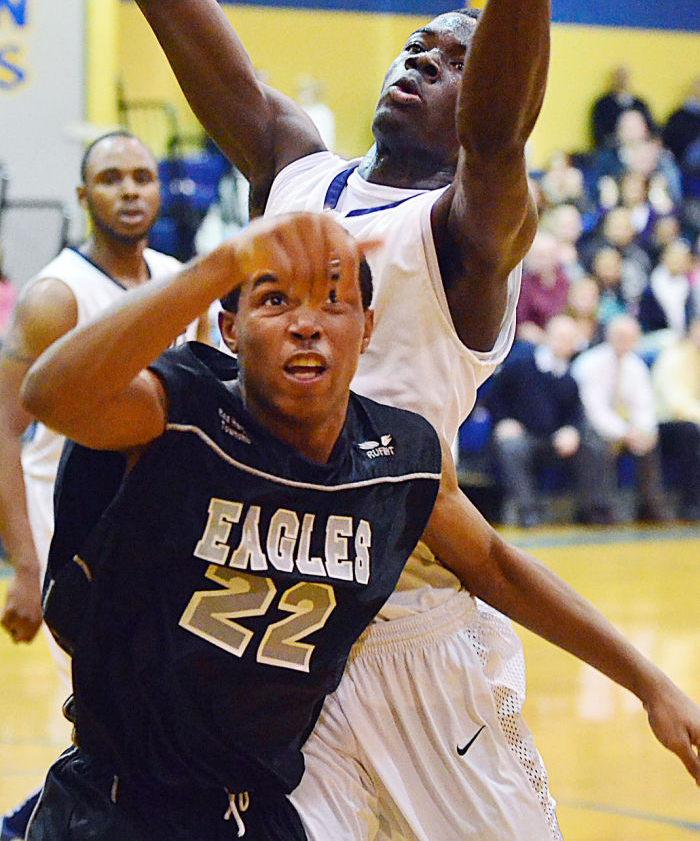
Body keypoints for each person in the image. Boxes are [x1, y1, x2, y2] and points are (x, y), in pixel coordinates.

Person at [88, 0, 700, 836]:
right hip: (276, 630)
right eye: (417, 42)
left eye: (455, 53)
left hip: (423, 636)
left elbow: (500, 130)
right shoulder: (295, 165)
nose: (423, 55)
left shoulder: (469, 235)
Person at [20, 210, 700, 840]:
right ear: (229, 329)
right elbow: (51, 393)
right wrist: (221, 263)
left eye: (333, 301)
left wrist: (651, 683)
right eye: (274, 299)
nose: (306, 324)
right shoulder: (181, 414)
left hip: (255, 806)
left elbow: (495, 566)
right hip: (114, 802)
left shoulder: (398, 460)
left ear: (368, 329)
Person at [0, 131, 208, 841]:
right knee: (115, 715)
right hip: (80, 537)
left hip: (170, 530)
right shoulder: (56, 296)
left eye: (142, 177)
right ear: (85, 197)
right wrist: (27, 568)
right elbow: (4, 429)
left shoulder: (184, 281)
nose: (130, 190)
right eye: (111, 178)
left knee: (153, 717)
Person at [483, 314, 615, 527]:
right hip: (522, 434)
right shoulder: (520, 364)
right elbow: (494, 398)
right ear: (547, 337)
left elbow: (575, 412)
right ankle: (528, 511)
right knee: (512, 448)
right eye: (560, 337)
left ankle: (594, 510)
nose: (565, 343)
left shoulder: (569, 375)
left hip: (554, 439)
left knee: (594, 447)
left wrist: (571, 430)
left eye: (570, 339)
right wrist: (504, 421)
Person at [570, 315, 671, 523]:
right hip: (590, 424)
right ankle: (599, 510)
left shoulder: (636, 366)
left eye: (630, 337)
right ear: (609, 336)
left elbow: (644, 405)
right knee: (596, 446)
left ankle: (650, 506)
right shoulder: (590, 363)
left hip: (626, 427)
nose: (625, 341)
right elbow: (593, 409)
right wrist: (625, 432)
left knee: (650, 443)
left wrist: (644, 431)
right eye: (620, 336)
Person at [651, 316, 700, 521]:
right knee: (689, 432)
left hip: (693, 421)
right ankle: (691, 504)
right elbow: (677, 406)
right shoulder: (674, 358)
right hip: (666, 424)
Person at [589, 65, 654, 150]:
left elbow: (651, 129)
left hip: (640, 149)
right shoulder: (602, 105)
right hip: (612, 150)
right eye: (619, 77)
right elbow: (598, 134)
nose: (622, 81)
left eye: (624, 77)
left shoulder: (639, 104)